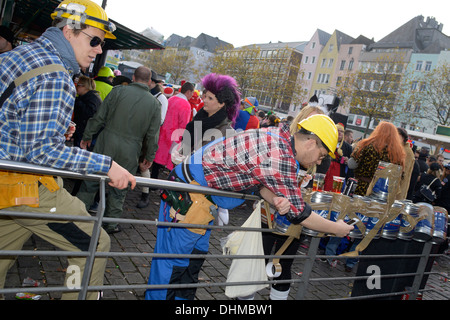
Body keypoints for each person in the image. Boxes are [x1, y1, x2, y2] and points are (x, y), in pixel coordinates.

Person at [0, 0, 135, 300]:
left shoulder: (20, 54)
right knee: (95, 243)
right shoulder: (56, 74)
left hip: (6, 182)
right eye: (95, 40)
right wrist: (107, 166)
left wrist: (55, 127)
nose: (99, 50)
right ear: (70, 30)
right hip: (22, 186)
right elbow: (41, 153)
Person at [145, 113, 354, 300]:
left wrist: (275, 199)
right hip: (190, 199)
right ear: (310, 142)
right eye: (322, 154)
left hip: (200, 200)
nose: (319, 160)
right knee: (172, 267)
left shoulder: (278, 136)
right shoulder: (281, 156)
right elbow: (299, 214)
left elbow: (258, 181)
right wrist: (337, 229)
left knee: (191, 264)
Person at [76, 66, 161, 233]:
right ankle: (110, 224)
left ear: (133, 78)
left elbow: (100, 116)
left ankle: (77, 217)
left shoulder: (118, 91)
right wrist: (149, 156)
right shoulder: (154, 104)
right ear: (149, 82)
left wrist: (87, 136)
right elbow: (152, 135)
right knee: (120, 187)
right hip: (131, 149)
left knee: (91, 181)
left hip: (106, 141)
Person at [259, 104, 323, 300]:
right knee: (257, 260)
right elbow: (264, 180)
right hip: (269, 211)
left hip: (294, 218)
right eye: (310, 121)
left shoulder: (316, 150)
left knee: (284, 264)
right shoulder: (285, 142)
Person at [135, 70, 169, 209]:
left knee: (144, 165)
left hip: (148, 135)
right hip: (137, 133)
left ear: (153, 83)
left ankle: (145, 193)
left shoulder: (161, 98)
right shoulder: (146, 94)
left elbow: (160, 120)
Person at [150, 81, 194, 180]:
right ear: (188, 92)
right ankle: (167, 185)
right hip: (175, 136)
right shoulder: (186, 105)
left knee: (158, 158)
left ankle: (152, 181)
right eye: (192, 92)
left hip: (163, 132)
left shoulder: (171, 99)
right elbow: (184, 124)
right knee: (172, 162)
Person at [348, 122, 406, 197]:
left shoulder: (366, 144)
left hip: (361, 188)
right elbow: (400, 175)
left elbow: (351, 165)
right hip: (382, 193)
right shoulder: (398, 153)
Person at [72, 75, 102, 148]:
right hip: (84, 132)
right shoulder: (91, 96)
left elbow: (89, 114)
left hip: (86, 134)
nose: (75, 87)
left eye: (78, 85)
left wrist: (77, 102)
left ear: (85, 86)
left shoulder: (92, 98)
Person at [323, 123, 352, 192]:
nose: (339, 133)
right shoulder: (326, 142)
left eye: (341, 131)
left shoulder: (348, 147)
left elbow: (350, 162)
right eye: (337, 130)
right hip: (325, 171)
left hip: (338, 175)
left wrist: (347, 160)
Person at [396, 127, 415, 199]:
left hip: (398, 191)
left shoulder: (407, 152)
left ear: (403, 138)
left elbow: (403, 174)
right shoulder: (399, 149)